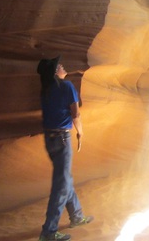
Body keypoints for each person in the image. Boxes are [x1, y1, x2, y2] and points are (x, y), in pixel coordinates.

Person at [36, 56, 93, 241]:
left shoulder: (45, 90)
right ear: (55, 72)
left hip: (49, 138)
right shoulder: (67, 86)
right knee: (60, 186)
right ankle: (48, 232)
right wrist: (81, 132)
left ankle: (76, 216)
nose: (63, 66)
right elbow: (76, 114)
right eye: (59, 65)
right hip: (62, 138)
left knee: (64, 178)